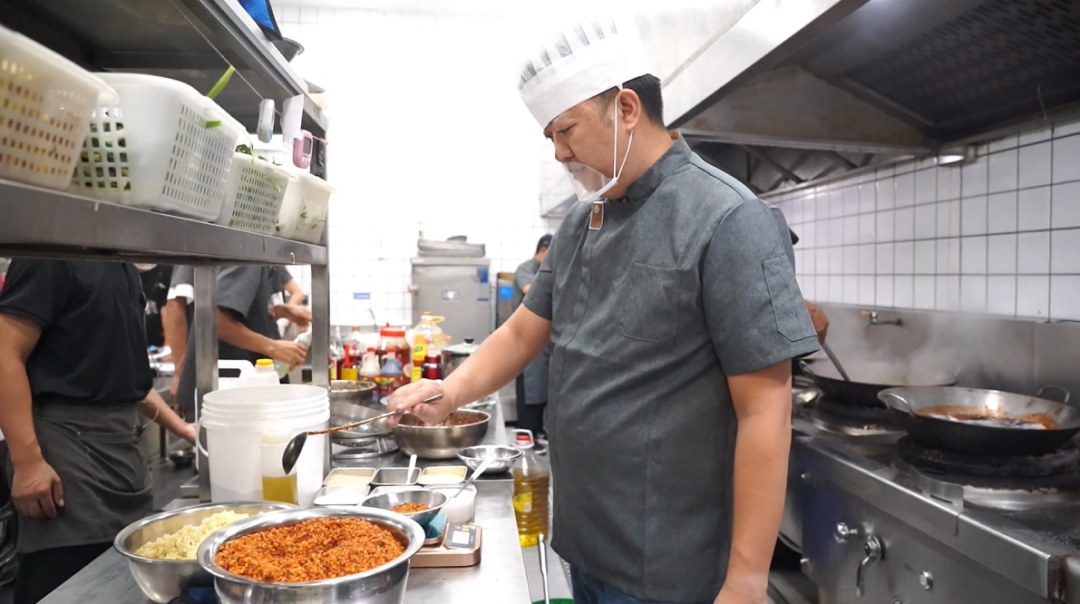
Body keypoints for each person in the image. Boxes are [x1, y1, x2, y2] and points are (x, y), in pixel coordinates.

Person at [389, 15, 819, 604]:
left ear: (626, 108)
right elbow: (521, 333)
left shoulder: (728, 219)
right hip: (582, 541)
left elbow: (766, 409)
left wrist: (746, 579)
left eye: (566, 130)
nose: (559, 152)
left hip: (666, 566)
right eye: (550, 137)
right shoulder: (581, 221)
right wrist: (450, 392)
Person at [0, 259, 196, 604]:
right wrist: (27, 462)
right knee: (68, 582)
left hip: (122, 452)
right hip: (67, 456)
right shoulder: (51, 255)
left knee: (121, 580)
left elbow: (126, 379)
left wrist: (183, 429)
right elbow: (5, 352)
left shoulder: (120, 264)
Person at [174, 266, 310, 419]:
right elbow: (211, 319)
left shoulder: (262, 263)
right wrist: (272, 347)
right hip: (224, 397)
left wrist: (279, 311)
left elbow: (236, 309)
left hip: (234, 394)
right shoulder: (251, 262)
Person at [512, 235, 553, 438]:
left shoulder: (548, 270)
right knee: (530, 389)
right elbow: (530, 290)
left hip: (544, 343)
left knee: (542, 390)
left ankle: (537, 432)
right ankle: (527, 434)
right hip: (526, 341)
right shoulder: (526, 269)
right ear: (544, 251)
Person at [136, 264, 174, 350]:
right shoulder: (121, 272)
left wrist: (167, 345)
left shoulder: (167, 271)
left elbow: (169, 309)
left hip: (158, 342)